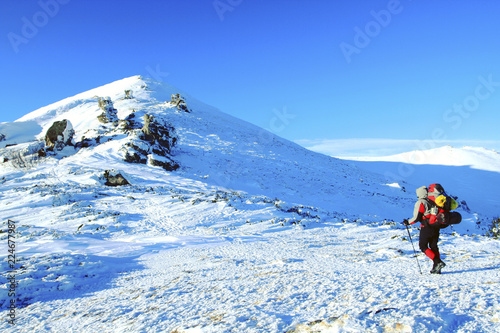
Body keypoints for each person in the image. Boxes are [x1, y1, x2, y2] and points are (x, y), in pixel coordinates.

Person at [403, 185, 446, 274]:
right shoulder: (433, 201)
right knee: (434, 246)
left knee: (423, 246)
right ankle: (436, 268)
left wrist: (407, 222)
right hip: (436, 226)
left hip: (426, 227)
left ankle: (437, 262)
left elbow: (417, 217)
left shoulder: (421, 202)